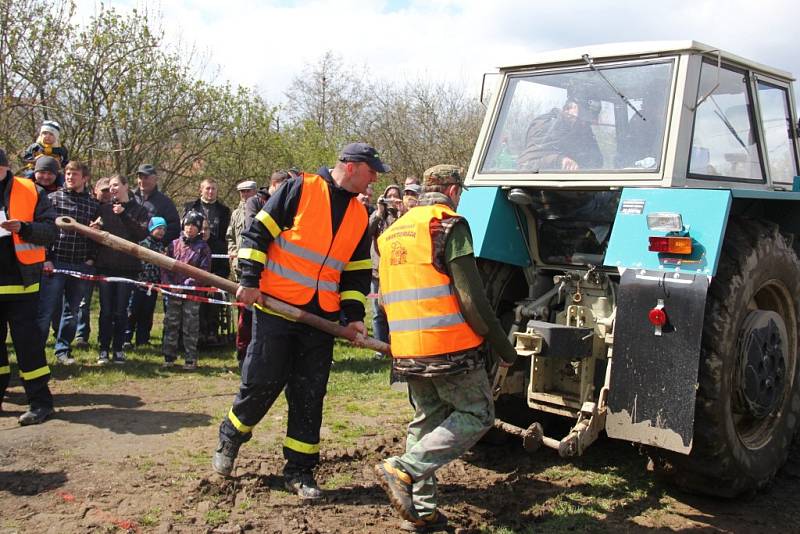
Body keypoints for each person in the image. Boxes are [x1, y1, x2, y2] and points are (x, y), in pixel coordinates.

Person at [211, 142, 389, 500]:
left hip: (319, 318)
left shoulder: (358, 215)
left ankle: (300, 471)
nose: (375, 180)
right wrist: (249, 280)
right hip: (276, 309)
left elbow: (355, 273)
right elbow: (256, 235)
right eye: (372, 172)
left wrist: (354, 317)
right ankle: (230, 438)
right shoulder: (299, 188)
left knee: (310, 395)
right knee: (261, 382)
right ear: (352, 166)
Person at [373, 164, 517, 531]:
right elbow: (473, 299)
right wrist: (503, 346)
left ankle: (420, 513)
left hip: (406, 349)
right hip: (448, 349)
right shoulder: (447, 225)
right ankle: (403, 468)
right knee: (478, 413)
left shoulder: (392, 233)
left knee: (426, 421)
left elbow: (388, 297)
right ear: (453, 191)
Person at [0, 148, 58, 424]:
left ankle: (40, 403)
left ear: (5, 167)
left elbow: (50, 231)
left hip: (21, 284)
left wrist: (22, 227)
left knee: (28, 346)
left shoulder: (31, 190)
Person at [36, 161, 98, 364]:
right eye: (68, 173)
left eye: (75, 174)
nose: (70, 177)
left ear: (85, 178)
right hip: (55, 262)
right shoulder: (52, 199)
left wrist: (91, 258)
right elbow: (43, 231)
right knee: (45, 310)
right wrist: (45, 258)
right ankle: (35, 354)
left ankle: (63, 350)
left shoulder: (92, 204)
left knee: (71, 312)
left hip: (79, 265)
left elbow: (96, 237)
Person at [93, 174, 149, 364]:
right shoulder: (103, 209)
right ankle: (103, 349)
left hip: (127, 268)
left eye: (116, 185)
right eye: (110, 186)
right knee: (106, 310)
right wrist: (94, 228)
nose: (113, 189)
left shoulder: (140, 210)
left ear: (126, 186)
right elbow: (96, 236)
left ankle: (118, 349)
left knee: (121, 310)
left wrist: (123, 214)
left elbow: (141, 234)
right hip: (106, 267)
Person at [162, 211, 211, 370]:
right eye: (188, 225)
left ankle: (190, 358)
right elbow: (165, 267)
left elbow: (203, 271)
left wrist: (187, 284)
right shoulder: (173, 244)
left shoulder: (203, 248)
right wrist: (170, 285)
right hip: (173, 292)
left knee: (190, 326)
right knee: (171, 323)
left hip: (192, 294)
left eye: (194, 226)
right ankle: (169, 357)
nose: (190, 229)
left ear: (199, 229)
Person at [183, 178, 231, 344]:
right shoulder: (190, 207)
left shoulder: (224, 211)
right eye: (207, 189)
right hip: (193, 259)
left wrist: (214, 281)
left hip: (216, 257)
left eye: (213, 189)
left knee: (213, 295)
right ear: (200, 190)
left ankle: (210, 331)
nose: (210, 192)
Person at [517, 96, 603, 171]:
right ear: (567, 109)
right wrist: (558, 160)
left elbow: (597, 162)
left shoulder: (584, 131)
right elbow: (526, 166)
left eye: (589, 118)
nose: (585, 122)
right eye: (583, 115)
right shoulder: (548, 127)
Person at [75, 177, 112, 347]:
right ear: (95, 191)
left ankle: (104, 338)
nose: (106, 194)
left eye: (109, 191)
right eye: (103, 191)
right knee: (83, 300)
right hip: (87, 260)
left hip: (107, 262)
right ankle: (81, 335)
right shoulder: (89, 207)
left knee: (107, 303)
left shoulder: (115, 210)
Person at [368, 184, 404, 355]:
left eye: (394, 196)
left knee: (395, 310)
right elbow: (367, 231)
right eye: (388, 196)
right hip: (377, 270)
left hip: (395, 269)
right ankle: (379, 348)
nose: (391, 200)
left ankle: (396, 345)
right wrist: (379, 212)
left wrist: (400, 211)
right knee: (377, 312)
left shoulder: (401, 216)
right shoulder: (379, 216)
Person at [226, 180, 258, 366]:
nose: (245, 195)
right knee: (242, 316)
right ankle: (242, 352)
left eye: (248, 191)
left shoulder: (262, 209)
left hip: (256, 268)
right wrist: (232, 251)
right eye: (242, 192)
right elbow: (230, 236)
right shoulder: (236, 214)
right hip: (239, 269)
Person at [125, 216, 168, 347]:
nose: (161, 231)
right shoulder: (143, 243)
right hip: (139, 285)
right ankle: (126, 338)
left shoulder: (161, 246)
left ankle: (143, 339)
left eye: (164, 229)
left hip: (153, 286)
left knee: (147, 313)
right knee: (132, 312)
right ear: (152, 228)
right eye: (159, 228)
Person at [132, 164, 181, 242]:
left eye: (146, 178)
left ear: (155, 179)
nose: (142, 181)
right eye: (140, 177)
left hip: (149, 250)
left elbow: (174, 229)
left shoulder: (165, 203)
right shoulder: (130, 196)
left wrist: (156, 243)